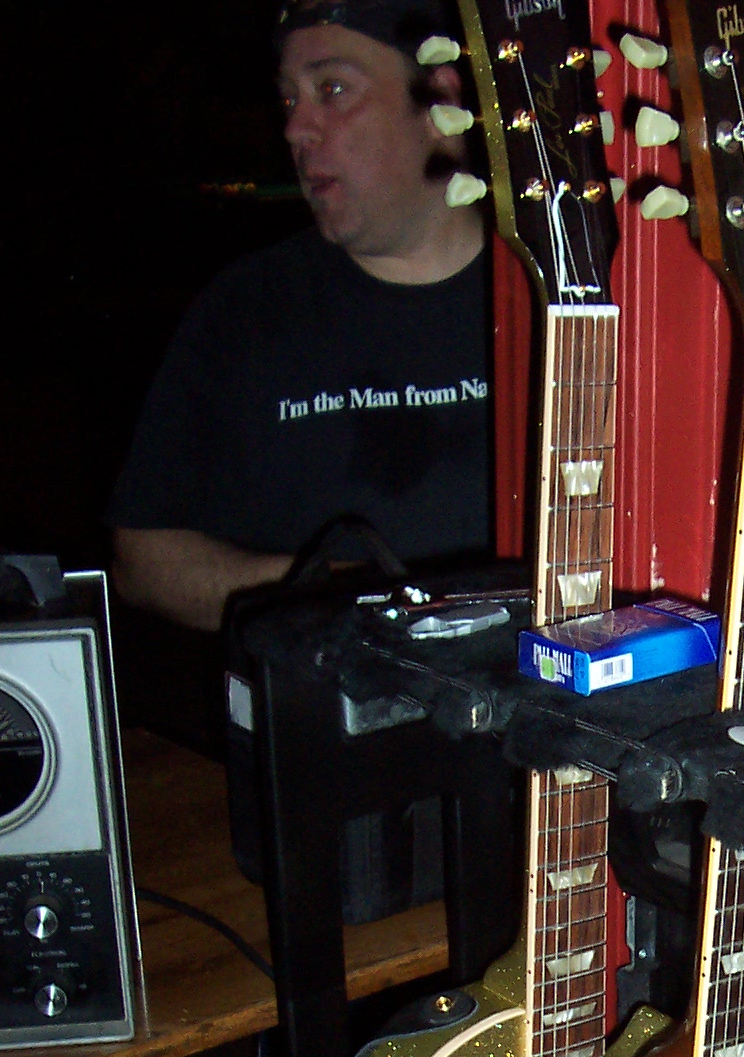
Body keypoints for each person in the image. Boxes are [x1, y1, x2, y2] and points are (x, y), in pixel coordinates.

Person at [110, 0, 492, 631]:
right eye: (289, 99)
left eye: (333, 90)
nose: (295, 129)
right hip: (324, 687)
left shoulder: (560, 292)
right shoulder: (246, 309)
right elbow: (143, 559)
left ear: (441, 102)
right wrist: (338, 596)